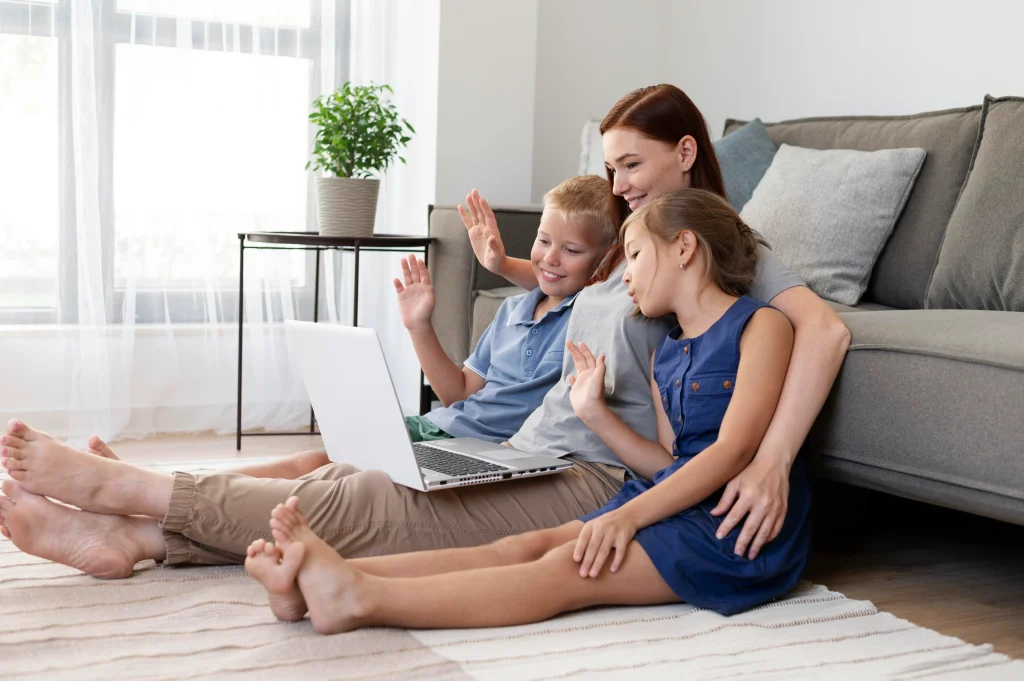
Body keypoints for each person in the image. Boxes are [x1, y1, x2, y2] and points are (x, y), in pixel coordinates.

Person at [0, 84, 846, 579]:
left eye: (629, 166)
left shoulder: (716, 257)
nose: (616, 182)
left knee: (358, 498)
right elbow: (576, 295)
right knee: (351, 477)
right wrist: (507, 263)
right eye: (613, 166)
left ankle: (135, 498)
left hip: (589, 467)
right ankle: (138, 536)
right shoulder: (636, 255)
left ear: (688, 156)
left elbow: (822, 331)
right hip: (528, 441)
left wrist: (771, 459)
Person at [242, 189, 809, 632]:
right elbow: (667, 463)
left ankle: (358, 598)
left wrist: (626, 517)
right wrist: (596, 414)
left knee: (566, 571)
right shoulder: (665, 350)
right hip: (669, 499)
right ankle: (322, 580)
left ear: (684, 248)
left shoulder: (762, 324)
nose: (625, 276)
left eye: (633, 255)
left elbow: (733, 450)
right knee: (522, 546)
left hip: (733, 527)